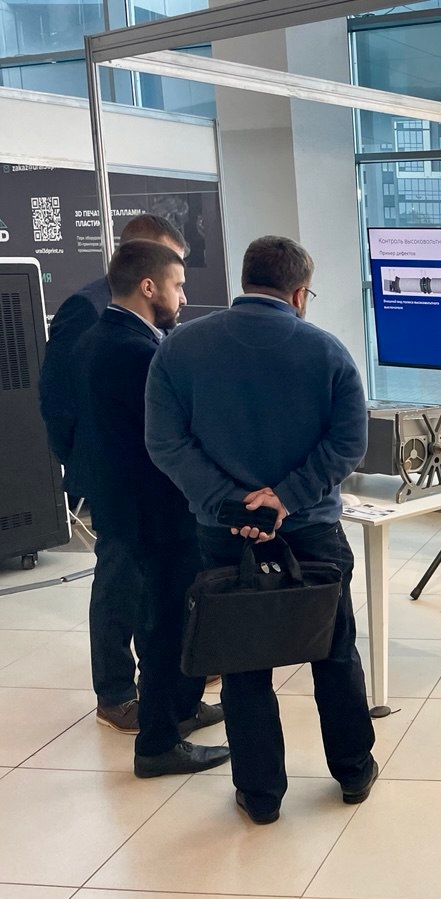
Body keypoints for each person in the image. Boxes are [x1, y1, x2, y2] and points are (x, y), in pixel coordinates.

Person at [146, 235, 377, 824]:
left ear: (245, 279)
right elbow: (349, 442)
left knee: (243, 663)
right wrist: (287, 499)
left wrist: (232, 505)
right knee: (333, 651)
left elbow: (165, 443)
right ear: (299, 294)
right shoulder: (327, 352)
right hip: (313, 532)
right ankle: (353, 771)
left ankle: (261, 795)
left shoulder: (180, 349)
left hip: (224, 536)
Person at [72, 240, 229, 777]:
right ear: (148, 286)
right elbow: (170, 434)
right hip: (154, 511)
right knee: (166, 624)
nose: (183, 297)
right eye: (178, 285)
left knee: (166, 616)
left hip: (123, 503)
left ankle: (182, 707)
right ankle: (160, 741)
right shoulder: (138, 353)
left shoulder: (97, 338)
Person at [38, 213, 191, 732]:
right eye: (174, 274)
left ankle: (165, 690)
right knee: (120, 587)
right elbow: (58, 397)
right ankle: (117, 693)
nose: (182, 289)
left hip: (138, 478)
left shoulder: (143, 324)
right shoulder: (88, 310)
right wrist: (84, 466)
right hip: (114, 477)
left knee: (150, 589)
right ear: (144, 269)